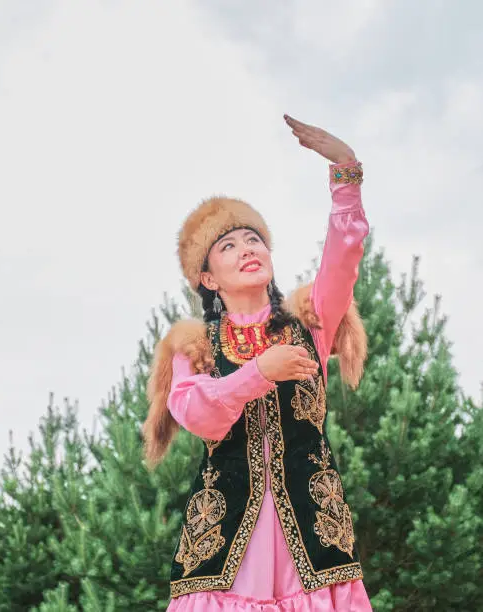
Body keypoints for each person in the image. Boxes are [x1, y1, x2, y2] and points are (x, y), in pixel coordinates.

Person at [143, 115, 372, 611]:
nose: (247, 249)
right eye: (228, 246)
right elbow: (197, 413)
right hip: (222, 548)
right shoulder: (195, 349)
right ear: (208, 278)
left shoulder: (309, 322)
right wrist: (258, 373)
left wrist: (345, 173)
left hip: (315, 536)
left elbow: (343, 258)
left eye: (254, 240)